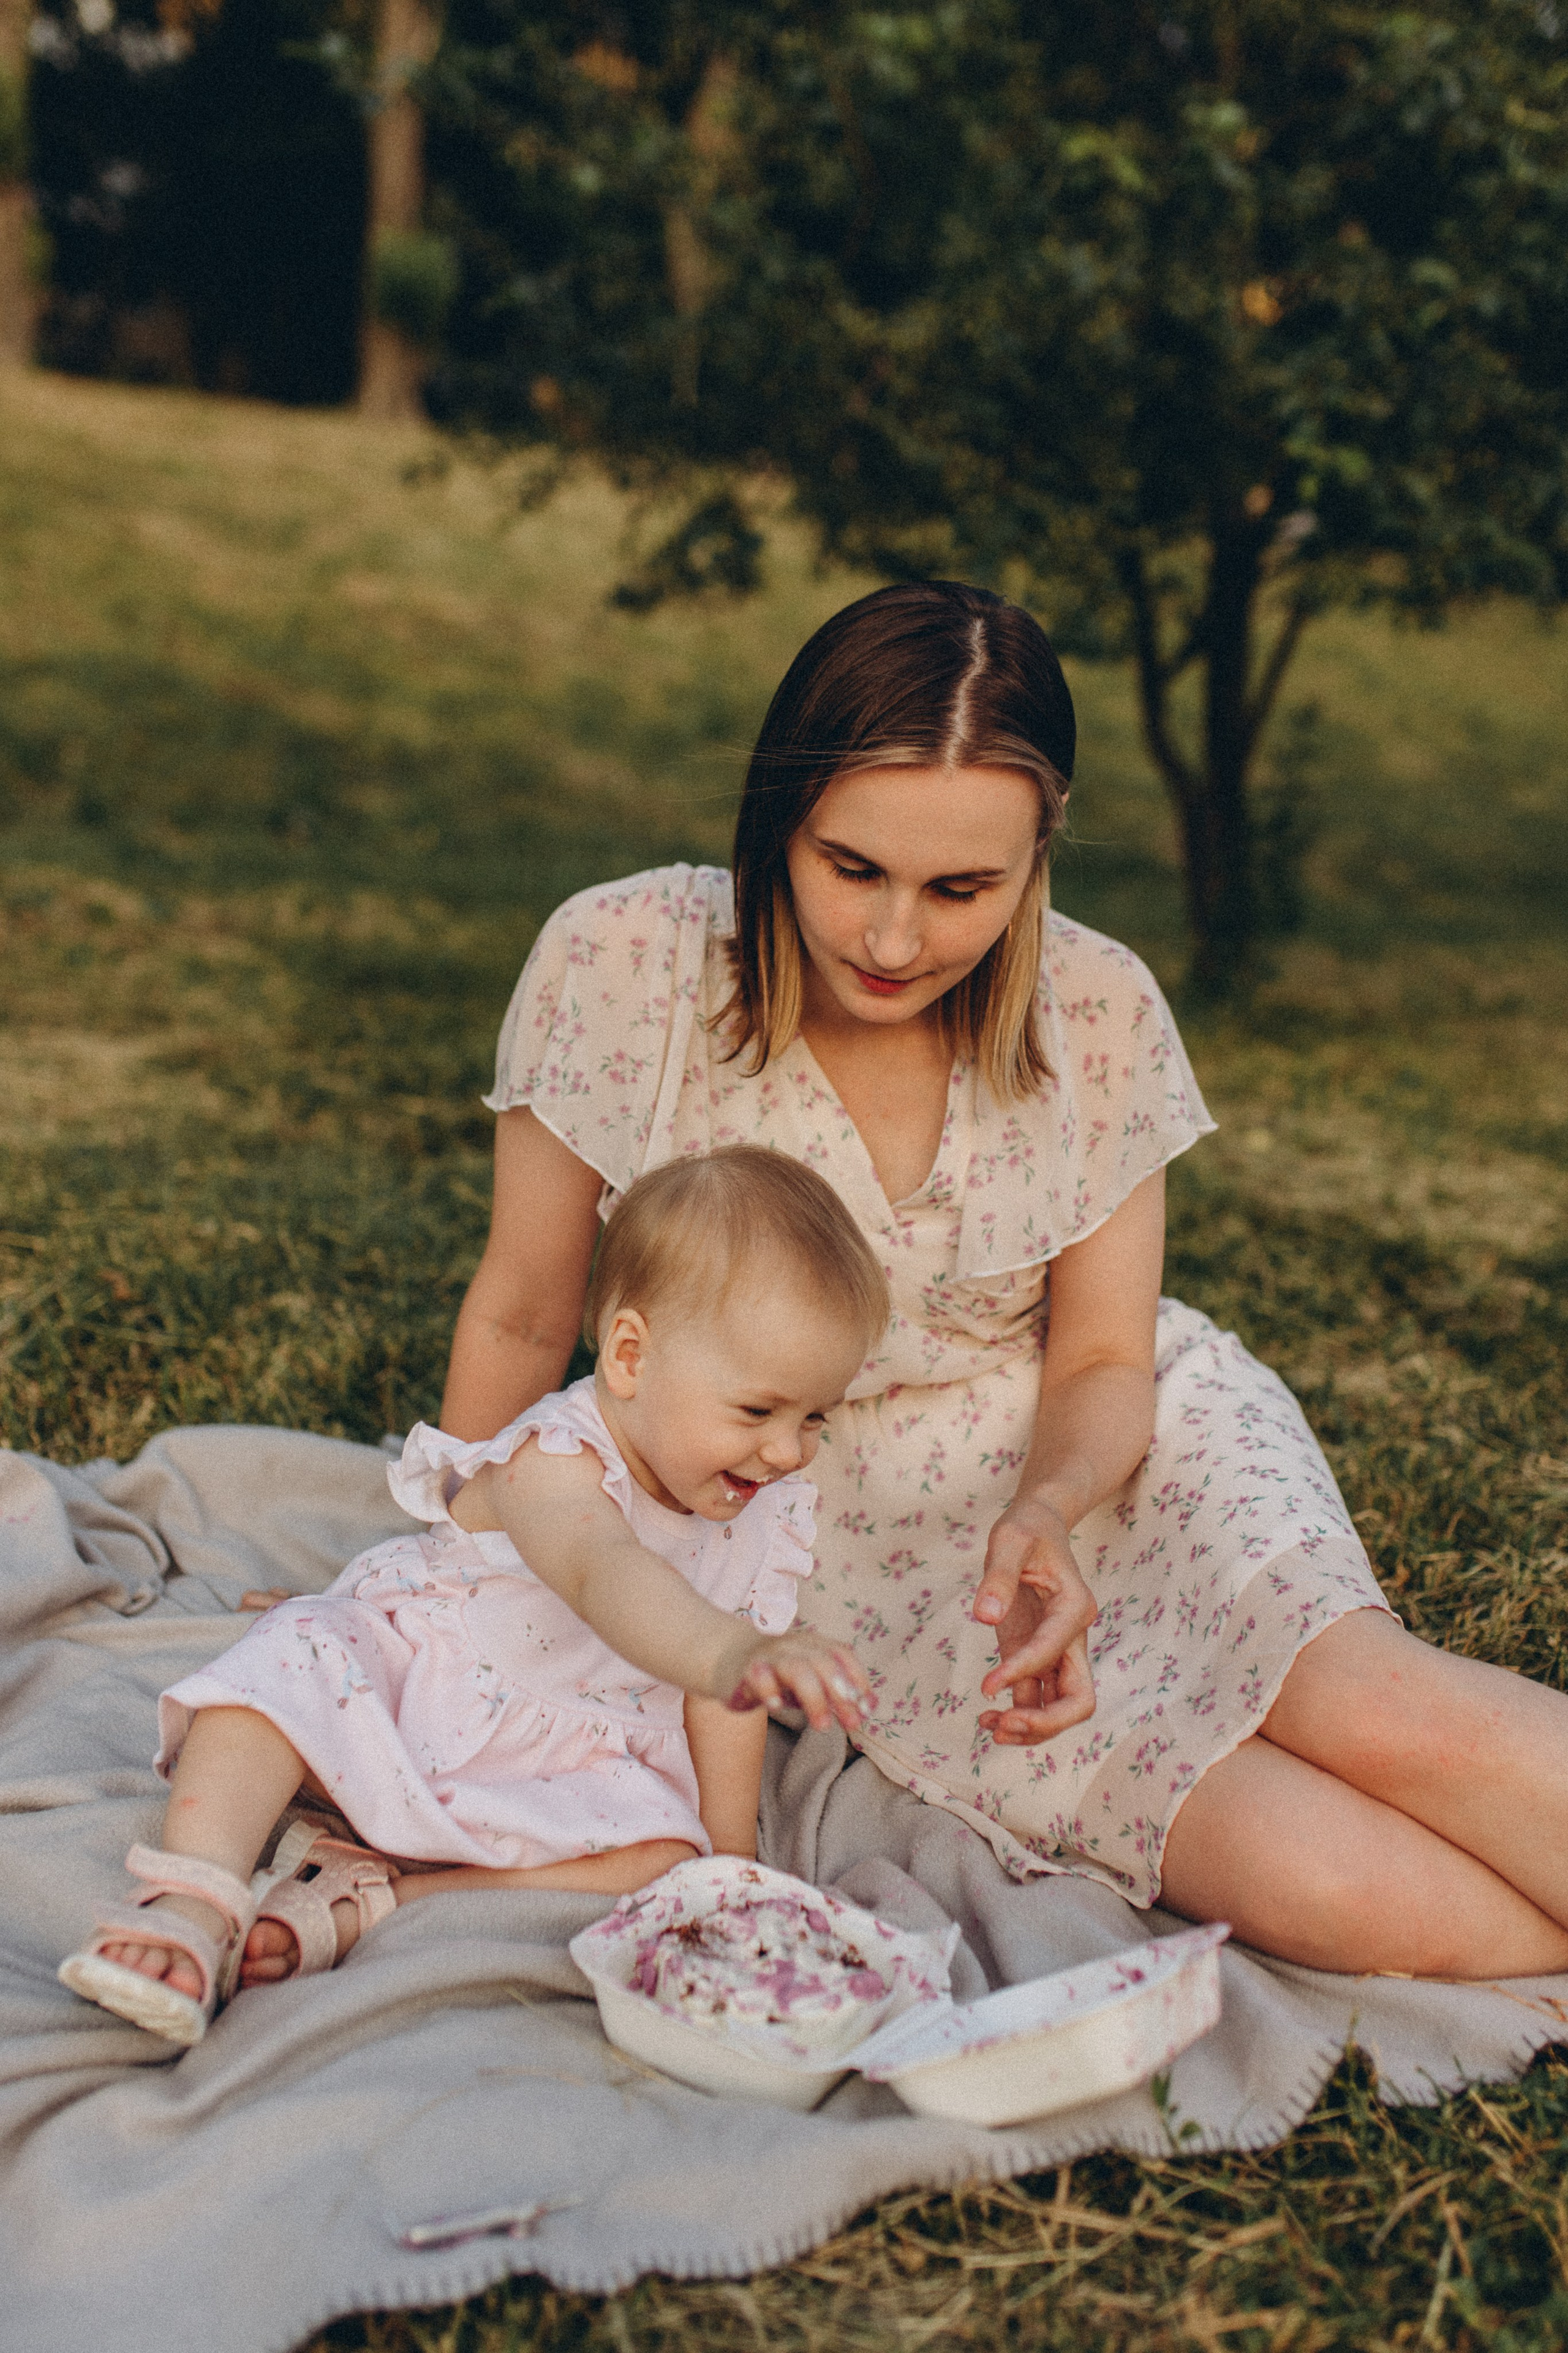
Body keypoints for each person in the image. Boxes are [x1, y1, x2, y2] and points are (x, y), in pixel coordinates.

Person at [439, 580, 1568, 1984]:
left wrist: (1047, 1512)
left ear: (1039, 856)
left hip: (1106, 1448)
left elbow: (1102, 1357)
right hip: (852, 1549)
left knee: (1375, 1710)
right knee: (1313, 1878)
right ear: (776, 820)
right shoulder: (625, 964)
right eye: (851, 868)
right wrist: (435, 1586)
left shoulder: (1096, 1011)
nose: (895, 941)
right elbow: (526, 1312)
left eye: (960, 888)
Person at [59, 1148, 886, 2045]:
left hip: (566, 1757)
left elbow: (725, 1700)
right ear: (630, 1355)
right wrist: (734, 1650)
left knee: (663, 1861)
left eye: (816, 1418)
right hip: (422, 1692)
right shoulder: (554, 1462)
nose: (789, 1451)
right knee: (285, 1668)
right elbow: (605, 1575)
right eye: (759, 1412)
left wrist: (729, 1872)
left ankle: (370, 1902)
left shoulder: (758, 1513)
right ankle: (194, 1894)